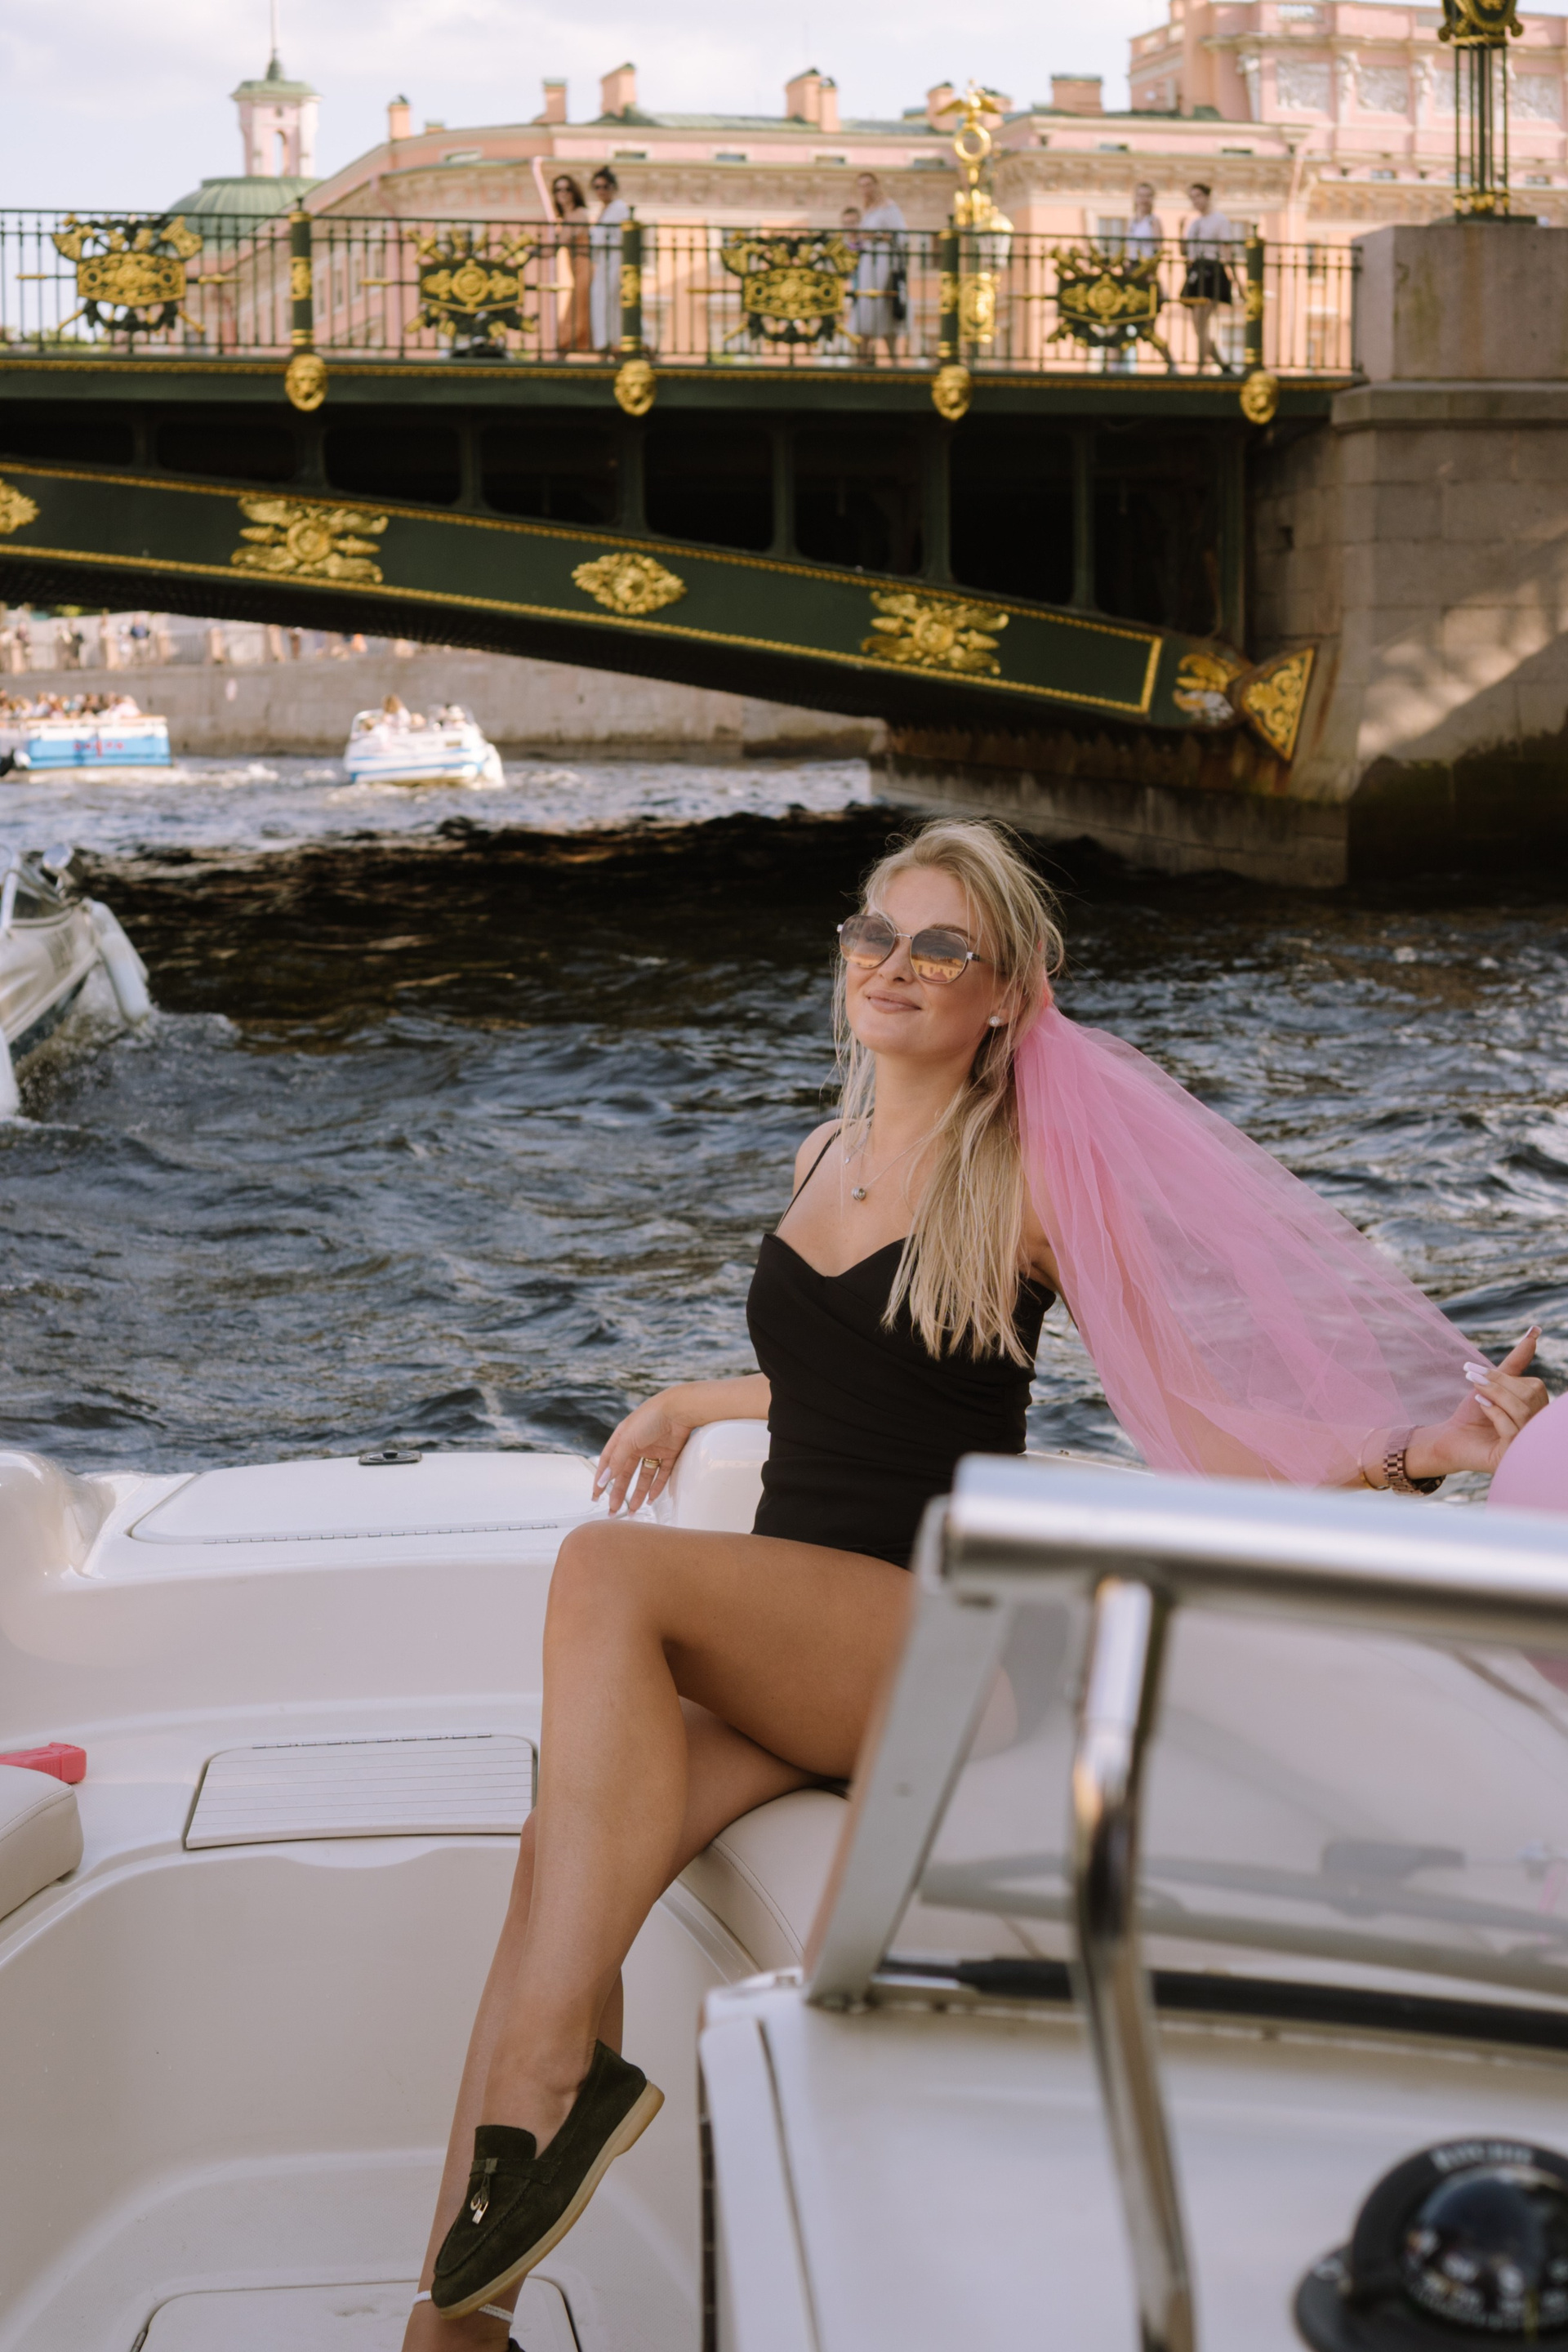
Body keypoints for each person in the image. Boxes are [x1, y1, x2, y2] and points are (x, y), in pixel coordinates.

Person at [401, 817, 1546, 2349]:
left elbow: (1195, 1421)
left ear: (1006, 993)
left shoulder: (1024, 1183)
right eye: (877, 934)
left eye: (943, 947)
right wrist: (691, 1398)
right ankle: (453, 2325)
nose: (896, 965)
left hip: (937, 1642)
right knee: (555, 1854)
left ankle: (557, 2080)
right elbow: (849, 1380)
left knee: (604, 1568)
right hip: (805, 1638)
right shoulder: (823, 1155)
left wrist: (1419, 1450)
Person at [1181, 180, 1239, 373]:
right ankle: (1223, 365)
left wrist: (1237, 281)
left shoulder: (1219, 220)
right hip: (1196, 271)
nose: (1195, 201)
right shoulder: (1194, 223)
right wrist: (1180, 230)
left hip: (1211, 271)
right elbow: (1185, 251)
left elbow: (1227, 251)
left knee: (1201, 323)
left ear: (1207, 197)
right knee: (1198, 328)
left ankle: (1201, 367)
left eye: (1198, 196)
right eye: (1192, 198)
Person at [849, 170, 906, 363]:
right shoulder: (868, 210)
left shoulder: (888, 207)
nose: (865, 189)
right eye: (861, 186)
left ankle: (892, 359)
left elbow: (900, 235)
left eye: (868, 185)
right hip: (868, 265)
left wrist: (875, 236)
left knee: (882, 303)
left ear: (876, 186)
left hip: (883, 263)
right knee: (866, 303)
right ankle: (863, 357)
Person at [548, 173, 593, 356]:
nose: (563, 193)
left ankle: (562, 351)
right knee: (580, 311)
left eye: (567, 189)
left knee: (577, 311)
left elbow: (560, 243)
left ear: (574, 192)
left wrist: (536, 251)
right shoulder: (568, 217)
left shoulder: (578, 214)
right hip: (577, 270)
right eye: (558, 190)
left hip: (585, 268)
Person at [588, 167, 630, 354]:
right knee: (602, 301)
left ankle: (615, 342)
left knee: (613, 301)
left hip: (615, 260)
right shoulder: (604, 211)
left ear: (613, 187)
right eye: (597, 187)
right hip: (604, 264)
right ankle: (606, 343)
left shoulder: (619, 209)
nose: (601, 191)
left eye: (605, 186)